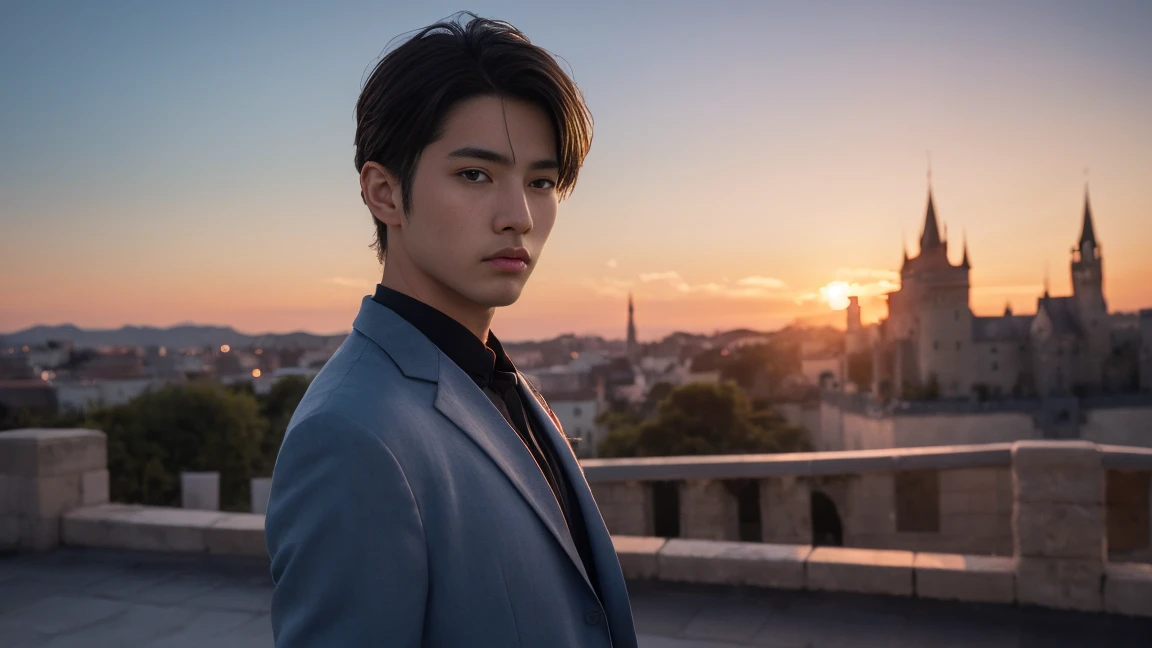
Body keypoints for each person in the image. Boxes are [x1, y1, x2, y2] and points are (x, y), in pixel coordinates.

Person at [264, 13, 638, 648]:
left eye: (541, 182)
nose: (519, 216)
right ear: (384, 194)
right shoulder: (350, 436)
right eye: (475, 174)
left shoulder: (493, 376)